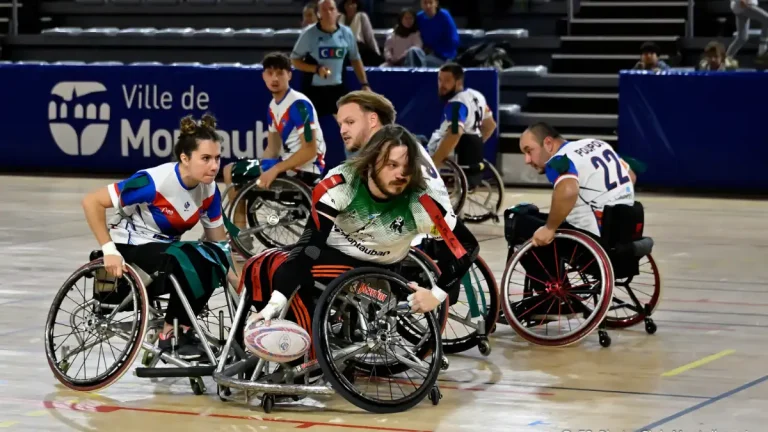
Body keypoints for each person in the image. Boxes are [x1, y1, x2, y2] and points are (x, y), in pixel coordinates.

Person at [242, 125, 479, 347]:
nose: (401, 174)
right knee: (259, 263)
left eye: (407, 167)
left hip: (379, 272)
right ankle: (260, 335)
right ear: (371, 162)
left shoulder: (422, 202)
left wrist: (436, 295)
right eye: (392, 165)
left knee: (278, 266)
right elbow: (310, 246)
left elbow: (467, 247)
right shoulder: (341, 183)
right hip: (332, 255)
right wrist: (276, 301)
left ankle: (304, 352)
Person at [81, 114, 238, 359]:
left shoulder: (209, 190)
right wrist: (109, 250)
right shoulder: (153, 181)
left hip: (165, 252)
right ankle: (170, 336)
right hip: (129, 246)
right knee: (190, 255)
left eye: (217, 158)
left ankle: (181, 329)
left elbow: (219, 244)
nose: (214, 166)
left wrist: (238, 280)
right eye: (206, 158)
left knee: (211, 258)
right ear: (185, 158)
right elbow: (92, 202)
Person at [222, 52, 327, 227]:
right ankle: (239, 232)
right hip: (291, 166)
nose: (275, 78)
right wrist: (263, 168)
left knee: (230, 171)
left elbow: (310, 151)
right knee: (235, 173)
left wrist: (274, 169)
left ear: (289, 75)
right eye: (270, 73)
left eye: (280, 73)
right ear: (263, 76)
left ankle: (239, 232)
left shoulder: (299, 105)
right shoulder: (273, 107)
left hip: (307, 169)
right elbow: (272, 148)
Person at [507, 122, 637, 249]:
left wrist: (549, 228)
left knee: (517, 219)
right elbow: (631, 176)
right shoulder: (598, 144)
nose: (527, 160)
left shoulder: (559, 160)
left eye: (529, 151)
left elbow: (568, 190)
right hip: (622, 232)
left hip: (590, 240)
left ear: (548, 143)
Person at [290, 0, 372, 118]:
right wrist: (316, 69)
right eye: (324, 9)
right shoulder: (308, 34)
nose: (328, 13)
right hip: (313, 90)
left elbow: (355, 58)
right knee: (308, 126)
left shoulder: (346, 33)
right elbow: (294, 60)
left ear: (337, 12)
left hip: (337, 88)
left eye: (331, 9)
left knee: (349, 122)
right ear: (318, 14)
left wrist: (364, 83)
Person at [426, 63, 496, 188]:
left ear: (458, 82)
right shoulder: (477, 96)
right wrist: (473, 147)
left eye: (447, 81)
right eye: (440, 80)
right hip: (469, 149)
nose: (442, 85)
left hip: (446, 151)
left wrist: (434, 162)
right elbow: (490, 125)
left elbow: (455, 133)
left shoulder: (455, 105)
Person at [403, 0, 459, 68]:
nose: (428, 6)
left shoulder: (444, 16)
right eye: (425, 3)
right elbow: (408, 31)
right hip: (425, 54)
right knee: (413, 51)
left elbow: (454, 41)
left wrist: (435, 51)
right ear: (421, 4)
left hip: (444, 58)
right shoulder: (419, 17)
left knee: (418, 62)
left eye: (430, 3)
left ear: (436, 3)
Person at [338, 0, 383, 66]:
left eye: (353, 4)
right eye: (348, 4)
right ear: (344, 6)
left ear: (357, 5)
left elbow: (370, 38)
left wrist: (377, 55)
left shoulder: (362, 17)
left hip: (359, 52)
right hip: (343, 52)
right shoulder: (339, 18)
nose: (350, 6)